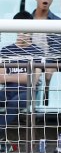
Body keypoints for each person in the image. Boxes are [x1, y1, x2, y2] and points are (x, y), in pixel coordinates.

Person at [0, 12, 44, 145]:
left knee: (14, 103)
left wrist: (9, 76)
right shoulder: (6, 51)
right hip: (8, 89)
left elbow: (33, 80)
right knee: (9, 99)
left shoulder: (37, 51)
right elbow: (0, 78)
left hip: (29, 91)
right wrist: (21, 77)